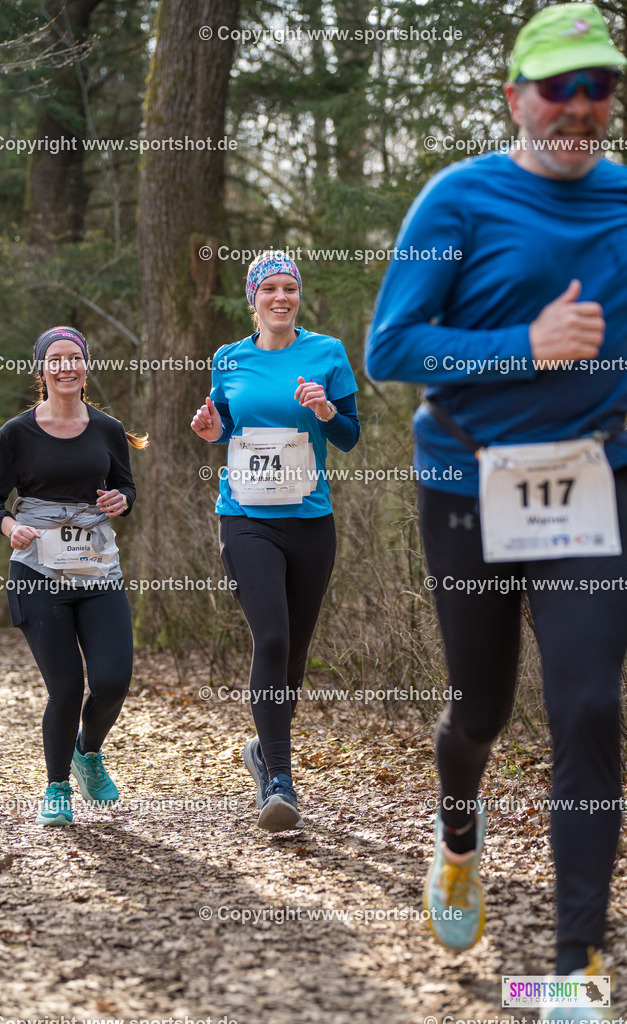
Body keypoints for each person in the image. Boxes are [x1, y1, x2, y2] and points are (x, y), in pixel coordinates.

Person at [365, 5, 626, 1020]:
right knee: (480, 706)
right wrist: (525, 344)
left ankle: (575, 970)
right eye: (555, 87)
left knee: (590, 707)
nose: (575, 108)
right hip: (466, 489)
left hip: (592, 487)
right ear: (513, 95)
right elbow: (390, 348)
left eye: (596, 87)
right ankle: (457, 835)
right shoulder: (458, 200)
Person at [191, 251, 360, 833]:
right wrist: (213, 431)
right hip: (244, 517)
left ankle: (264, 752)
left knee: (294, 655)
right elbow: (226, 428)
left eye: (290, 288)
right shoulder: (228, 358)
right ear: (253, 299)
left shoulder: (328, 353)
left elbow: (349, 437)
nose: (281, 297)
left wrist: (328, 410)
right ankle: (281, 782)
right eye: (270, 289)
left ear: (299, 296)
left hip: (311, 521)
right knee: (272, 635)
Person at [0, 326, 148, 827]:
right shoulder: (16, 433)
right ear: (42, 370)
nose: (67, 367)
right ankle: (56, 789)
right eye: (56, 359)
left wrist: (122, 501)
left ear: (86, 365)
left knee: (113, 680)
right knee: (67, 686)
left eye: (75, 358)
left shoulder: (108, 429)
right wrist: (11, 526)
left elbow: (125, 489)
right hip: (36, 572)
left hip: (97, 569)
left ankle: (87, 753)